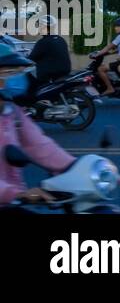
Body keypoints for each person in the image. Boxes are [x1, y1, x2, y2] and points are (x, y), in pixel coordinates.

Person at [0, 44, 75, 208]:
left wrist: (78, 168)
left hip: (12, 202)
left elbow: (38, 144)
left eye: (14, 73)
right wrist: (15, 193)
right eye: (5, 73)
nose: (11, 79)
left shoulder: (11, 111)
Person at [92, 17, 120, 93]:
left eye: (117, 26)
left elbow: (108, 47)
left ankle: (110, 88)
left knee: (100, 69)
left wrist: (97, 54)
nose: (115, 28)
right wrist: (111, 53)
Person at [29, 16, 71, 87]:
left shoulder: (43, 42)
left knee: (30, 84)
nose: (38, 28)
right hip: (65, 73)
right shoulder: (61, 39)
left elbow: (31, 59)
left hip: (49, 77)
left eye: (40, 26)